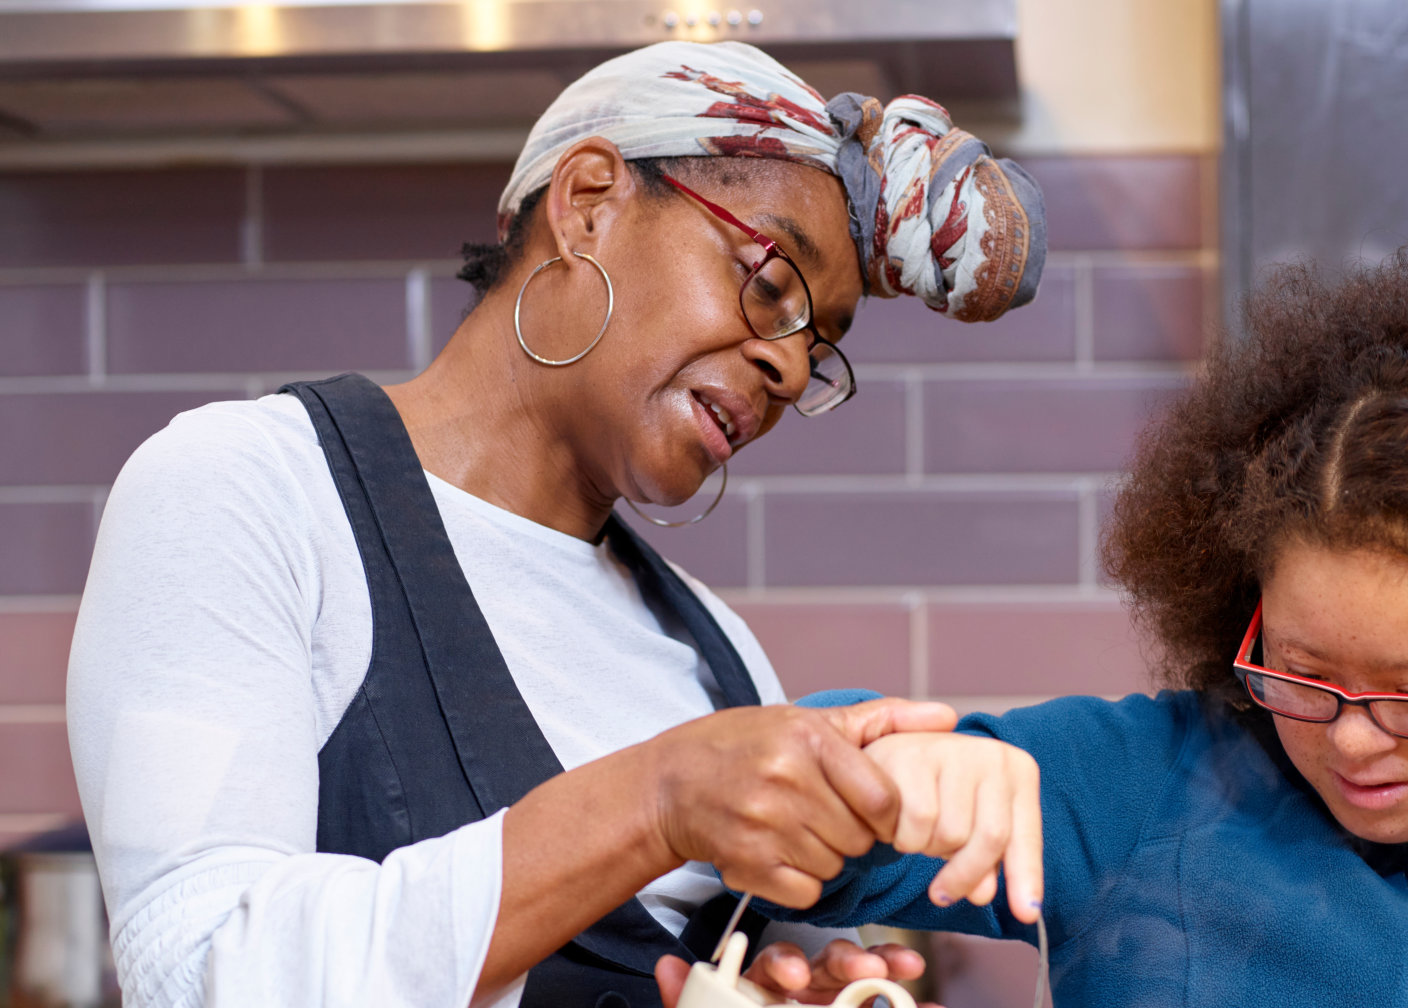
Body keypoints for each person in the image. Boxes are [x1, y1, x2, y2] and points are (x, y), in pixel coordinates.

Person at [64, 40, 1046, 1008]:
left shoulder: (716, 653)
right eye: (773, 283)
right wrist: (654, 798)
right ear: (587, 203)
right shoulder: (250, 489)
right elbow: (195, 974)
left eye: (816, 345)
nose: (790, 370)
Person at [767, 244, 1408, 1005]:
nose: (1353, 738)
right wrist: (875, 760)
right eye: (1302, 670)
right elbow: (750, 820)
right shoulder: (1138, 787)